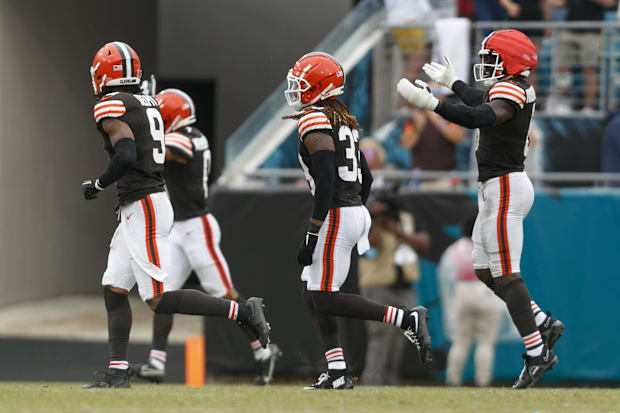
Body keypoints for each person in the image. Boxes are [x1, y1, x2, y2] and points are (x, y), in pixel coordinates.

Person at [81, 42, 270, 388]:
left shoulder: (112, 105)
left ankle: (243, 311)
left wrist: (98, 183)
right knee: (114, 287)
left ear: (105, 75)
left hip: (145, 205)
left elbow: (124, 153)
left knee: (158, 298)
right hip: (142, 205)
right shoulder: (149, 102)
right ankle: (118, 372)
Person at [397, 30, 565, 389]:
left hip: (506, 186)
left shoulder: (514, 90)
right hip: (493, 188)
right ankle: (541, 321)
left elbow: (482, 116)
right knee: (485, 270)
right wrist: (452, 84)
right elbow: (480, 99)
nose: (486, 63)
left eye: (492, 57)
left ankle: (537, 352)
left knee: (506, 273)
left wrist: (433, 105)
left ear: (511, 62)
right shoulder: (509, 86)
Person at [283, 52, 432, 390]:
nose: (295, 88)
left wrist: (314, 231)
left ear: (319, 87)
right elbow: (366, 178)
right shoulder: (343, 120)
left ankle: (405, 317)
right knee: (312, 292)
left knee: (324, 296)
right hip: (351, 211)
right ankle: (336, 369)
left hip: (336, 211)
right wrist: (357, 213)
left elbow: (325, 183)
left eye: (302, 82)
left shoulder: (315, 120)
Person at [131, 88, 281, 385]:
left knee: (225, 294)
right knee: (162, 294)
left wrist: (137, 122)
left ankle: (263, 352)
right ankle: (156, 362)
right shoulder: (185, 133)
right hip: (179, 229)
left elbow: (165, 149)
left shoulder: (188, 138)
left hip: (198, 228)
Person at [359, 196, 431, 385]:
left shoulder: (407, 219)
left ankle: (390, 381)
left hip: (404, 287)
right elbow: (371, 244)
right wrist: (377, 221)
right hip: (377, 286)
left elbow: (424, 244)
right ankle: (372, 381)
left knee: (400, 337)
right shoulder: (367, 218)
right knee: (380, 335)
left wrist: (397, 230)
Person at [441, 214, 504, 387]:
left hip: (463, 291)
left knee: (460, 340)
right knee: (486, 342)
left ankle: (452, 380)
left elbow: (446, 276)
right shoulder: (492, 247)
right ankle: (483, 381)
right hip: (487, 292)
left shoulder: (457, 248)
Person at [549, 0, 616, 113]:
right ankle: (563, 104)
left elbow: (610, 3)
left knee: (589, 69)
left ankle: (588, 107)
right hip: (569, 29)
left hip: (592, 31)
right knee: (563, 68)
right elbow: (562, 4)